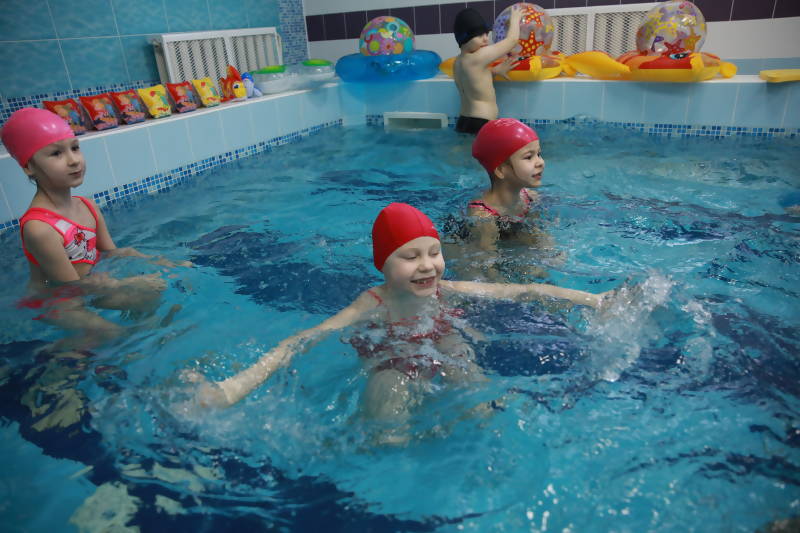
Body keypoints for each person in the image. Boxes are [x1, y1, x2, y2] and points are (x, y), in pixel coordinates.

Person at [190, 203, 610, 441]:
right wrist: (232, 388)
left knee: (477, 398)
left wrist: (592, 299)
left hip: (442, 343)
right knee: (389, 423)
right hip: (390, 357)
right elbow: (301, 341)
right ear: (383, 264)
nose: (427, 266)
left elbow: (520, 291)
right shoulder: (372, 303)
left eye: (434, 253)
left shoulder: (446, 290)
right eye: (410, 256)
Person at [1, 107, 183, 348]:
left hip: (88, 286)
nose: (73, 160)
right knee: (111, 333)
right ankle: (59, 353)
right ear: (28, 167)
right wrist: (126, 284)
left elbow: (111, 252)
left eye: (75, 148)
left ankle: (148, 337)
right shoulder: (40, 228)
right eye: (56, 153)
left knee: (148, 295)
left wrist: (162, 262)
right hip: (55, 301)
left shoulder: (87, 206)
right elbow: (70, 286)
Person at [452, 6, 523, 134]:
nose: (485, 38)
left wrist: (495, 71)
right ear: (464, 38)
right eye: (479, 35)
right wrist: (515, 19)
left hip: (463, 121)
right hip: (481, 123)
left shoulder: (457, 62)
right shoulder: (479, 56)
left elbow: (474, 80)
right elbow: (512, 41)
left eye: (486, 34)